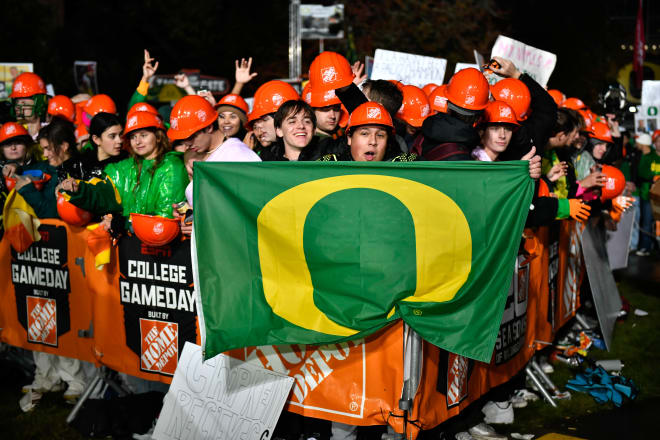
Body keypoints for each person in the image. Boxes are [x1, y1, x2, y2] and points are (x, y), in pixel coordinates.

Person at [165, 95, 259, 209]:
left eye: (191, 137)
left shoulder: (238, 155)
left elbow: (251, 207)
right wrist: (189, 214)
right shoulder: (194, 155)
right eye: (183, 139)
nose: (187, 144)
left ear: (209, 128)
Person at [412, 67, 489, 161]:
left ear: (448, 104)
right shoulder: (463, 158)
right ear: (478, 117)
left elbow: (408, 159)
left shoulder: (423, 133)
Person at [320, 101, 416, 162]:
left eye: (380, 135)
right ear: (349, 138)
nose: (373, 142)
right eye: (365, 134)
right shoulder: (329, 165)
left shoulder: (404, 165)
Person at [247, 80, 300, 153]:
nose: (259, 127)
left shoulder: (319, 154)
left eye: (265, 119)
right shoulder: (271, 154)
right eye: (255, 126)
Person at [83, 112, 128, 179]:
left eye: (120, 134)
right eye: (112, 136)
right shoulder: (82, 163)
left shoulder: (127, 163)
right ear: (96, 139)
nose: (119, 141)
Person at [636, 132, 660, 256]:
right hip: (648, 195)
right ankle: (645, 247)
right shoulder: (648, 156)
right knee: (646, 221)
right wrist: (653, 178)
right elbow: (641, 173)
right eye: (658, 141)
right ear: (654, 143)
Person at [10, 72, 48, 139]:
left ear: (39, 104)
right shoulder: (12, 134)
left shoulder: (50, 133)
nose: (17, 107)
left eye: (23, 103)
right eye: (17, 103)